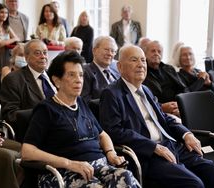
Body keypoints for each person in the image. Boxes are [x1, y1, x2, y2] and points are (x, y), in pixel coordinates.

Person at [99, 45, 214, 187]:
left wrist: (186, 134)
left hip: (170, 145)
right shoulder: (111, 93)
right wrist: (154, 147)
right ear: (120, 67)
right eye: (134, 60)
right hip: (148, 154)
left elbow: (163, 117)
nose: (141, 65)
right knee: (193, 184)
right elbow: (114, 131)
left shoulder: (146, 90)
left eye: (143, 60)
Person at [21, 50, 140, 188]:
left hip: (99, 166)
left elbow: (102, 135)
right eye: (72, 75)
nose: (79, 80)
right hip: (64, 171)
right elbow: (27, 151)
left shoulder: (81, 103)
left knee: (125, 177)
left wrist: (111, 153)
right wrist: (69, 163)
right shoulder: (46, 109)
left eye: (81, 75)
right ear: (57, 80)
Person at [0, 39, 56, 127]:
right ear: (26, 57)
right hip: (36, 128)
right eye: (37, 53)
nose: (43, 56)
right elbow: (10, 115)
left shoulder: (55, 77)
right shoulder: (13, 79)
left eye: (45, 53)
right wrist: (42, 113)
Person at [143, 40, 188, 117]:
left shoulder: (169, 68)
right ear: (145, 54)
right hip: (158, 110)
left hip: (177, 106)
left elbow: (183, 88)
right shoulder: (142, 71)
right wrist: (161, 107)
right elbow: (143, 100)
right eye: (153, 51)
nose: (156, 53)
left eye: (159, 51)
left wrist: (181, 103)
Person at [81, 36, 120, 103]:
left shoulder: (117, 71)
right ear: (94, 50)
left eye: (113, 51)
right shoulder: (85, 72)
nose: (110, 54)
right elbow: (85, 102)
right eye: (106, 50)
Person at [0, 3, 20, 73]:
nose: (4, 15)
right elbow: (0, 44)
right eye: (2, 12)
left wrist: (9, 40)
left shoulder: (7, 27)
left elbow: (17, 39)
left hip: (7, 56)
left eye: (6, 13)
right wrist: (12, 39)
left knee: (6, 76)